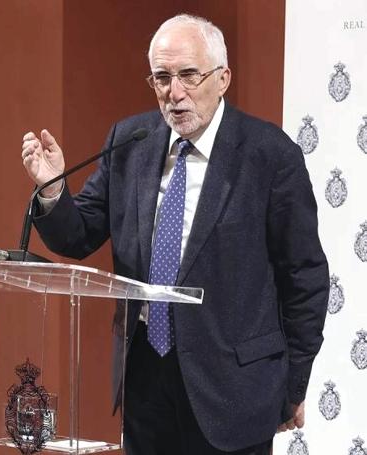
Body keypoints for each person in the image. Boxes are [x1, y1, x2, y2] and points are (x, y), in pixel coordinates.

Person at [20, 13, 328, 455]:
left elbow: (305, 278)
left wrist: (292, 384)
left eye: (188, 75)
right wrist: (52, 190)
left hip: (235, 388)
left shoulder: (269, 155)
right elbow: (79, 234)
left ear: (223, 78)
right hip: (147, 374)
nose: (174, 93)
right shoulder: (130, 140)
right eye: (162, 77)